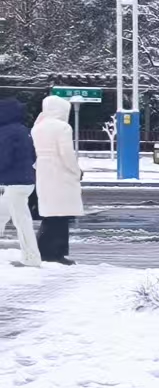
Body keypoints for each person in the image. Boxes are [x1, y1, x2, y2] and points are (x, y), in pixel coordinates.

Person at [31, 94, 82, 265]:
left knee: (50, 215)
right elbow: (66, 154)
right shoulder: (62, 128)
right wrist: (76, 171)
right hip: (60, 173)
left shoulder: (37, 127)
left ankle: (42, 250)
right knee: (61, 216)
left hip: (43, 171)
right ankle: (56, 253)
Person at [0, 98, 41, 267]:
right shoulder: (25, 131)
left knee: (22, 222)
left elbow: (4, 159)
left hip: (13, 183)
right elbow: (33, 155)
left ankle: (31, 258)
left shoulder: (6, 133)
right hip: (25, 181)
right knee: (2, 214)